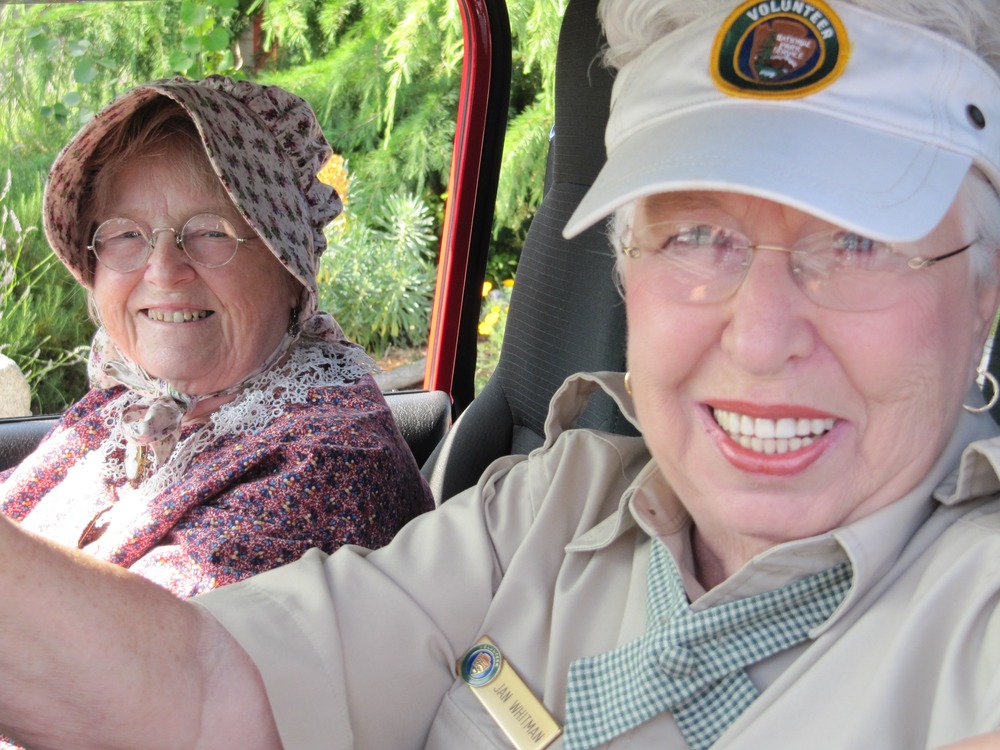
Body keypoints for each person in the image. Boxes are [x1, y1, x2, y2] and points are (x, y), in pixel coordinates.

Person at [3, 1, 1000, 748]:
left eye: (860, 244)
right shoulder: (547, 507)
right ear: (625, 276)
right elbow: (213, 689)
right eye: (696, 236)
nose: (760, 334)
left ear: (983, 298)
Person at [0, 75, 434, 598]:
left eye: (210, 231)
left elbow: (143, 652)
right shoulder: (131, 404)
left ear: (289, 270)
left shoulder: (330, 466)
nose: (162, 270)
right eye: (125, 234)